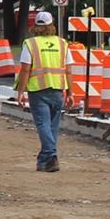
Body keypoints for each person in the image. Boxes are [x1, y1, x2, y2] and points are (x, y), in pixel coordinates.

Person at [22, 9, 71, 173]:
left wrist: (20, 91)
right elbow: (68, 70)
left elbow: (25, 70)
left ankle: (51, 155)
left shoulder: (30, 44)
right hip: (58, 90)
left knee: (43, 125)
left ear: (35, 25)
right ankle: (44, 161)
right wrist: (70, 91)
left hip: (38, 90)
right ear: (52, 25)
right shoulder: (63, 44)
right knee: (52, 127)